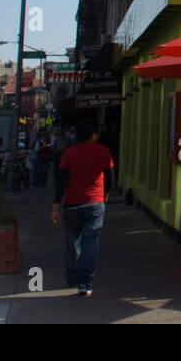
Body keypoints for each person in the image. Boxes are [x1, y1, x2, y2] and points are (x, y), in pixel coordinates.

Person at [52, 119, 115, 297]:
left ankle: (72, 276)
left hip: (72, 204)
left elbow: (61, 182)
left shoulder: (69, 154)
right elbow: (110, 178)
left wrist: (55, 207)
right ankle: (85, 282)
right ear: (93, 135)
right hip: (95, 203)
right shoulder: (103, 152)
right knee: (90, 244)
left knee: (71, 243)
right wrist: (105, 196)